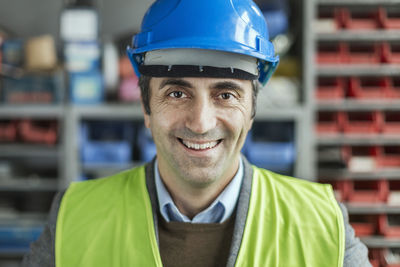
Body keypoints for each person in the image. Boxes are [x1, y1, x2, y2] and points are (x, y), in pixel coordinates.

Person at [23, 0, 371, 266]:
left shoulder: (323, 223)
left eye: (225, 94)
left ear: (251, 110)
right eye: (177, 93)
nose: (201, 122)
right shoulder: (75, 217)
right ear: (146, 107)